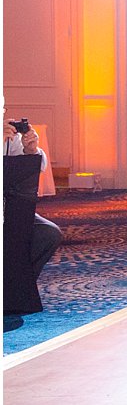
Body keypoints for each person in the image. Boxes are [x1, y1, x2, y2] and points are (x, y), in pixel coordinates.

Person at [3, 119, 62, 318]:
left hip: (11, 207)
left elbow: (37, 166)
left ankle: (18, 288)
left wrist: (31, 150)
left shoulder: (8, 132)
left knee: (48, 233)